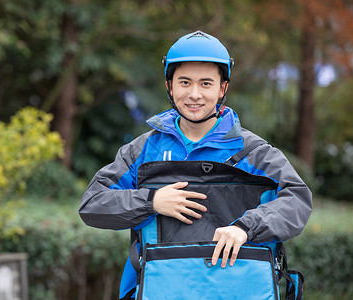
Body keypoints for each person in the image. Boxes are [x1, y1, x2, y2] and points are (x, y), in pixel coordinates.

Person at [79, 30, 312, 299]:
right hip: (158, 291)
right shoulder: (142, 150)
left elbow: (297, 198)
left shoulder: (254, 152)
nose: (194, 94)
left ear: (222, 88)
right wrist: (151, 201)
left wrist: (246, 228)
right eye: (185, 82)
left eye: (206, 84)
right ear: (169, 86)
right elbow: (92, 204)